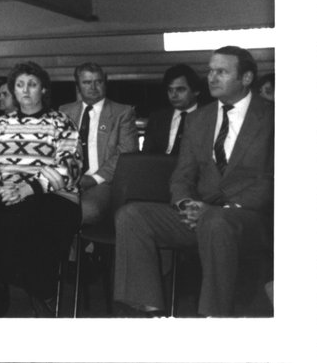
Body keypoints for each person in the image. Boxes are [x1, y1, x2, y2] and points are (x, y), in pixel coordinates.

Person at [113, 46, 274, 317]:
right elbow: (182, 174)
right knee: (132, 215)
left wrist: (224, 209)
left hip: (249, 217)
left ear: (246, 78)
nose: (212, 77)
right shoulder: (200, 118)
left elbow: (276, 179)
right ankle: (147, 311)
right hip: (200, 213)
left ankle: (214, 316)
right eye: (210, 71)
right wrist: (185, 203)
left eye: (221, 72)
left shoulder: (274, 117)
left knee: (216, 221)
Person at [0, 61, 82, 317]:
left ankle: (43, 292)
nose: (26, 90)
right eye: (20, 85)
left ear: (43, 90)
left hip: (52, 196)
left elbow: (70, 167)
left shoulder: (62, 123)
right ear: (14, 91)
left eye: (32, 85)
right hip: (6, 192)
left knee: (30, 217)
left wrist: (28, 188)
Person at [60, 63, 138, 225]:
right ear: (78, 86)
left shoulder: (122, 112)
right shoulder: (64, 111)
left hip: (103, 184)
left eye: (98, 81)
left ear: (105, 83)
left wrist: (95, 179)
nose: (93, 87)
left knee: (85, 211)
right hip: (67, 182)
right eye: (87, 82)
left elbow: (127, 153)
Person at [142, 64, 204, 156]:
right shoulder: (157, 118)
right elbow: (146, 155)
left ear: (196, 91)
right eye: (170, 90)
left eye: (180, 90)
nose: (173, 95)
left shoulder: (209, 116)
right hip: (161, 167)